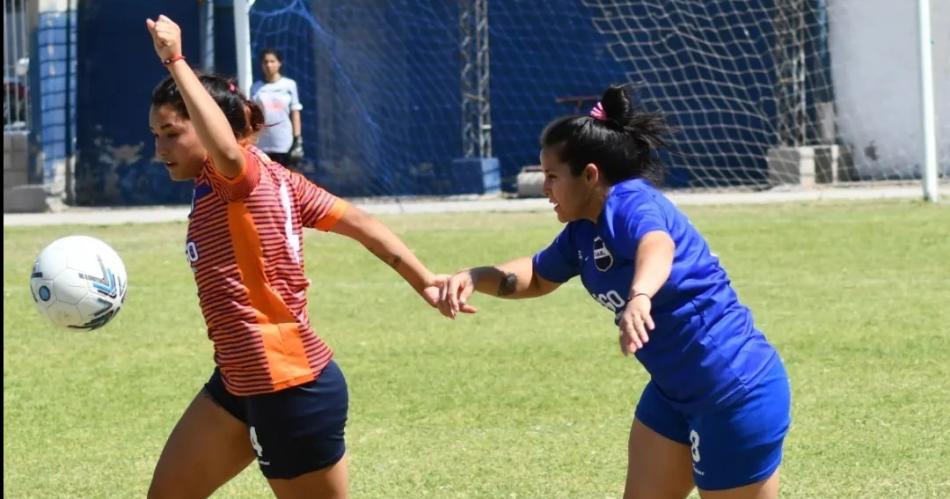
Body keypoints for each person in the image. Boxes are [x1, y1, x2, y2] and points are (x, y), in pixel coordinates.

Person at [439, 85, 791, 498]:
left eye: (552, 177)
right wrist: (475, 276)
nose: (544, 189)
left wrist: (640, 296)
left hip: (734, 392)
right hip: (672, 394)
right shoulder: (581, 233)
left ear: (590, 175)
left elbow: (657, 244)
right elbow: (536, 275)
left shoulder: (630, 202)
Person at [145, 15, 444, 498]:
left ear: (208, 126)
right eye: (155, 133)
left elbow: (224, 146)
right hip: (240, 381)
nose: (160, 148)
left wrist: (175, 60)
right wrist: (424, 278)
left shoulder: (236, 177)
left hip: (290, 387)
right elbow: (363, 226)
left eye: (172, 132)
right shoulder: (277, 179)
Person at [251, 48, 304, 167]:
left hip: (284, 144)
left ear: (279, 63)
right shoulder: (255, 88)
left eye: (272, 61)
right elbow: (252, 116)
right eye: (265, 62)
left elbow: (295, 113)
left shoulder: (289, 85)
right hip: (263, 144)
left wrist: (297, 140)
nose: (269, 65)